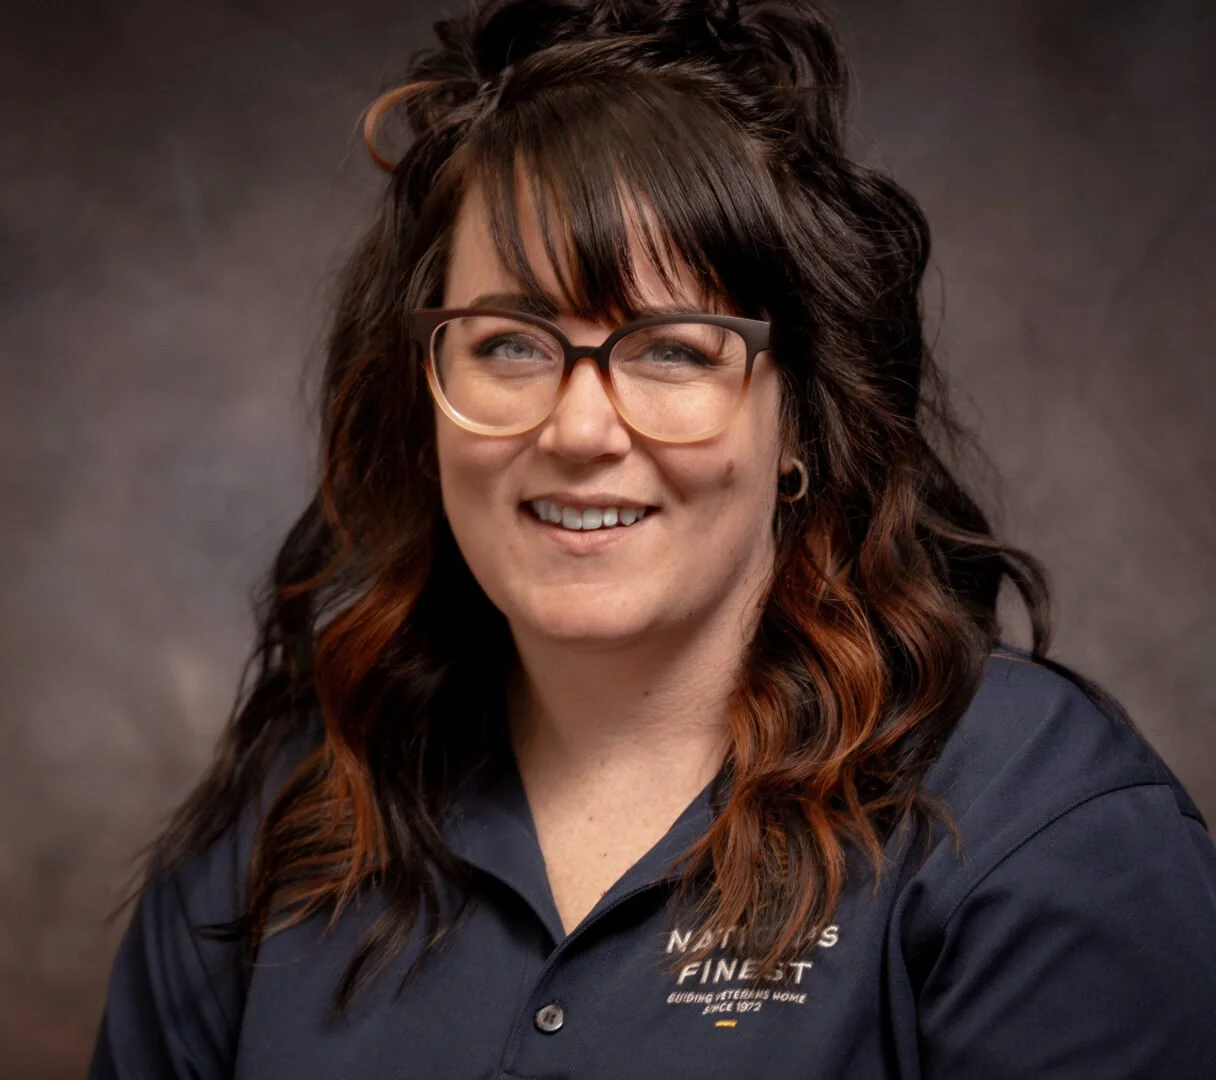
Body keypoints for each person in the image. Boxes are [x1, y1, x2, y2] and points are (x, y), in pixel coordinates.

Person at [89, 1, 1216, 1077]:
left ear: (801, 422)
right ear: (424, 394)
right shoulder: (287, 818)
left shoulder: (1040, 825)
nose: (579, 429)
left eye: (674, 349)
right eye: (511, 343)